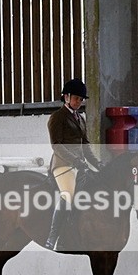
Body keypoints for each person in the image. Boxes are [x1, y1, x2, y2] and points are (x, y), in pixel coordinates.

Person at [44, 78, 104, 250]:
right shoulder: (57, 117)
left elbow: (85, 145)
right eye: (76, 98)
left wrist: (97, 163)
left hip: (79, 165)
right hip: (62, 165)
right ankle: (53, 237)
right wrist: (75, 161)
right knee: (68, 195)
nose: (79, 101)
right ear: (66, 97)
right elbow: (56, 145)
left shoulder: (81, 118)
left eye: (81, 99)